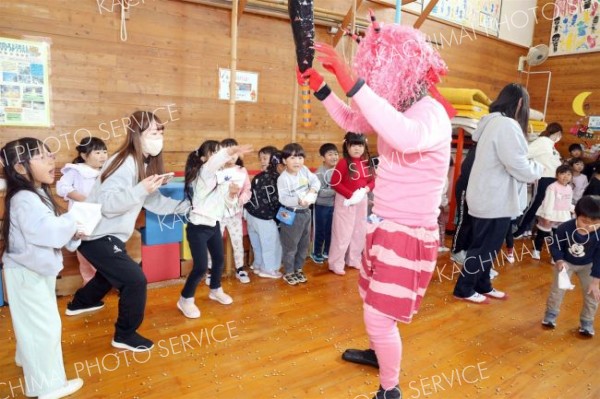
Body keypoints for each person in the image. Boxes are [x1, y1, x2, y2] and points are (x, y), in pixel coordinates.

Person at [300, 17, 453, 399]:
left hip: (409, 233)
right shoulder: (400, 108)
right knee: (371, 300)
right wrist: (322, 88)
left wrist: (352, 81)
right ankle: (380, 352)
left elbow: (405, 137)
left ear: (398, 71)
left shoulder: (430, 112)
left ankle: (390, 389)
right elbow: (354, 119)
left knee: (378, 315)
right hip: (385, 225)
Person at [65, 111, 190, 352]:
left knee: (109, 273)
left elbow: (153, 202)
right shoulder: (123, 162)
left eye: (161, 132)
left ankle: (80, 303)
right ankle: (125, 334)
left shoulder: (142, 163)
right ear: (137, 134)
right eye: (153, 132)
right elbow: (108, 206)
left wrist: (185, 207)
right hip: (96, 234)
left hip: (109, 235)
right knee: (134, 280)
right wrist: (140, 189)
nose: (159, 137)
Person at [1, 138, 84, 398]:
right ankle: (49, 386)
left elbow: (50, 228)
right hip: (27, 273)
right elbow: (48, 231)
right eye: (43, 157)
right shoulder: (25, 198)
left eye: (51, 155)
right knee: (44, 327)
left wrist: (73, 230)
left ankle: (27, 359)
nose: (52, 160)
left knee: (33, 323)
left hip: (31, 271)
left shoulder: (34, 194)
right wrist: (73, 219)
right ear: (21, 168)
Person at [453, 83, 542, 304]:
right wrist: (538, 170)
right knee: (484, 247)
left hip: (489, 196)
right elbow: (517, 164)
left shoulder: (493, 123)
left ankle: (483, 284)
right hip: (494, 199)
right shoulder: (506, 125)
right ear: (520, 103)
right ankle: (464, 288)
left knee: (489, 247)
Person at [178, 140, 253, 318]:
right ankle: (185, 299)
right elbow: (215, 162)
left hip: (214, 224)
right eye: (215, 153)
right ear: (204, 158)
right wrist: (231, 150)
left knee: (219, 260)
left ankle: (215, 289)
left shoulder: (221, 176)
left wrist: (233, 194)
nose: (220, 156)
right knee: (201, 267)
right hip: (198, 226)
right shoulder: (204, 172)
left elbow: (228, 203)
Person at [542, 195, 600, 337]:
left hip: (588, 265)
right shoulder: (565, 228)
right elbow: (555, 246)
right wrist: (559, 260)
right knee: (558, 289)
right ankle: (551, 314)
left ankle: (587, 321)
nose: (589, 226)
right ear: (576, 215)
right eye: (584, 221)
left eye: (595, 223)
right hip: (566, 263)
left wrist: (596, 281)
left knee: (593, 294)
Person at [56, 137, 108, 285]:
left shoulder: (107, 171)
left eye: (105, 152)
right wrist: (81, 197)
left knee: (106, 253)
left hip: (103, 219)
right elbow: (62, 187)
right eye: (97, 152)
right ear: (84, 155)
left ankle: (111, 282)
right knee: (86, 256)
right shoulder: (76, 170)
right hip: (83, 220)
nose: (103, 156)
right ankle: (89, 286)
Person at [205, 138, 252, 284]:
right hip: (217, 214)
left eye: (234, 153)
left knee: (237, 242)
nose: (231, 157)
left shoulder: (242, 171)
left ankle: (240, 269)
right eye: (228, 153)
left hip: (235, 214)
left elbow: (247, 191)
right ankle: (211, 270)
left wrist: (240, 200)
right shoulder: (215, 170)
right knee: (213, 242)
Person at [328, 133, 375, 275]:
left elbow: (373, 180)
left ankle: (354, 259)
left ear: (364, 146)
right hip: (345, 201)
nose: (357, 148)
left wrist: (366, 189)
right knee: (342, 233)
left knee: (359, 231)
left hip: (362, 200)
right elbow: (334, 183)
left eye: (360, 145)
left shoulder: (366, 163)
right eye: (353, 145)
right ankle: (335, 263)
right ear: (346, 146)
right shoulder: (343, 163)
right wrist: (351, 195)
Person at [277, 143, 320, 285]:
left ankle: (298, 269)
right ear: (284, 161)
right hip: (290, 213)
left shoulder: (304, 170)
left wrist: (312, 190)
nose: (297, 161)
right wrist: (298, 200)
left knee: (304, 244)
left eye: (300, 157)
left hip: (306, 212)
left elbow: (316, 181)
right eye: (293, 158)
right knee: (290, 245)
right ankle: (289, 271)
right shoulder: (283, 178)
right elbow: (283, 199)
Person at [513, 122, 563, 238]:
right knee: (535, 205)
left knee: (547, 206)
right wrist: (533, 169)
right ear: (557, 133)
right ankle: (520, 229)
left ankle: (538, 230)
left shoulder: (550, 144)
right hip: (543, 178)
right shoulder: (542, 142)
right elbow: (524, 155)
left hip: (553, 179)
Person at [245, 151, 285, 278]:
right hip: (264, 217)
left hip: (251, 214)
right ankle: (268, 269)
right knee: (271, 243)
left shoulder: (260, 175)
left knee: (257, 243)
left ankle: (258, 265)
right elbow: (277, 202)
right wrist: (278, 219)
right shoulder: (278, 179)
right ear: (279, 165)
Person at [532, 164, 574, 260]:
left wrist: (575, 209)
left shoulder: (569, 188)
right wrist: (547, 216)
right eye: (562, 174)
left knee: (558, 236)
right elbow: (548, 203)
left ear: (571, 177)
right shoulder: (552, 187)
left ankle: (555, 256)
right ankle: (536, 250)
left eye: (568, 174)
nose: (565, 176)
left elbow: (568, 203)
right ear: (557, 175)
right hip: (550, 214)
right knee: (542, 233)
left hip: (562, 216)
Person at [311, 143, 339, 263]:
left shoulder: (338, 170)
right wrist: (336, 191)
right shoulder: (319, 173)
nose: (334, 157)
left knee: (331, 229)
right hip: (321, 206)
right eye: (330, 154)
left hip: (334, 206)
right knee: (320, 230)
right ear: (323, 157)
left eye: (336, 154)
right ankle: (316, 252)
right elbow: (320, 192)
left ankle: (327, 250)